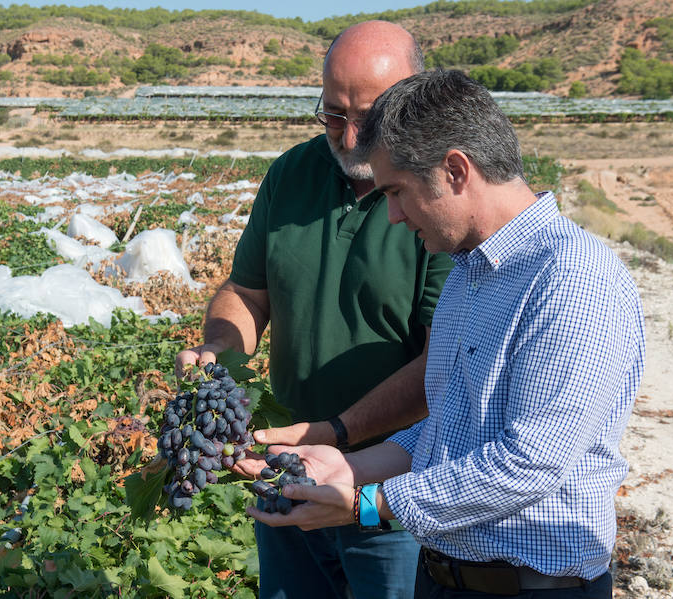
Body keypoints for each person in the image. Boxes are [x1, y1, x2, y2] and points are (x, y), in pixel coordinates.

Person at [248, 69, 646, 598]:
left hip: (532, 588)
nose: (392, 215)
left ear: (456, 170)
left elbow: (529, 464)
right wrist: (348, 464)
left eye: (397, 192)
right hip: (442, 579)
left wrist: (368, 504)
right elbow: (449, 430)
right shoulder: (469, 274)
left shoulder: (573, 279)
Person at [176, 21, 453, 599]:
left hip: (389, 479)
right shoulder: (291, 175)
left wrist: (337, 432)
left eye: (369, 118)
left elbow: (443, 365)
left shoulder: (435, 199)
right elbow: (247, 292)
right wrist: (219, 348)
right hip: (283, 466)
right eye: (332, 115)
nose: (349, 138)